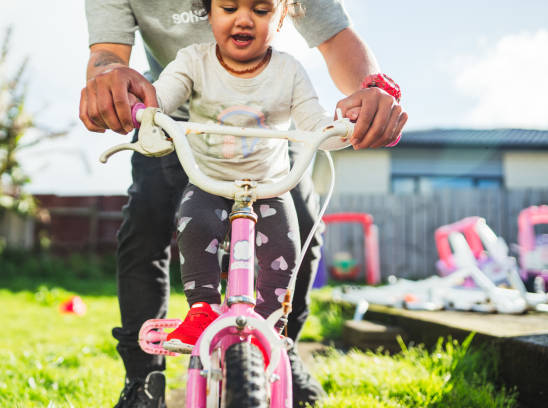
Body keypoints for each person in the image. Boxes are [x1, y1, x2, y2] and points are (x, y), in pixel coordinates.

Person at [79, 1, 407, 407]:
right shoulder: (191, 61)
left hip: (268, 146)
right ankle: (144, 379)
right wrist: (124, 95)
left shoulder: (287, 72)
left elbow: (335, 46)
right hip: (183, 127)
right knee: (147, 226)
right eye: (228, 6)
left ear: (283, 15)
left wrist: (362, 105)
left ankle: (279, 339)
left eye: (261, 8)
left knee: (301, 231)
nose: (243, 18)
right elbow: (110, 56)